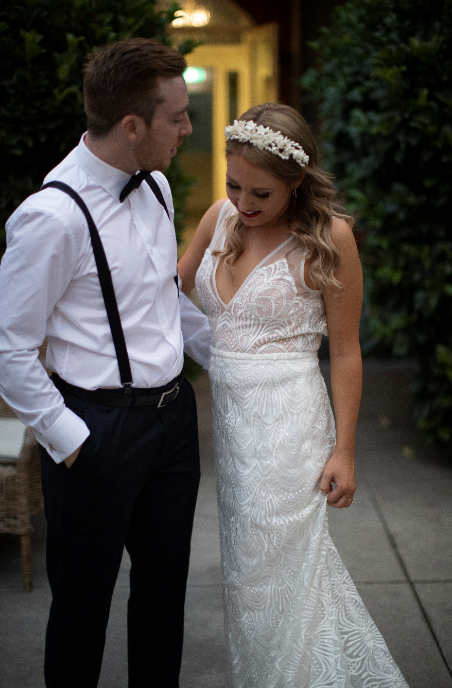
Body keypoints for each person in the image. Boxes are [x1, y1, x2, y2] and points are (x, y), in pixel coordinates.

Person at [0, 38, 211, 688]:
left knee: (162, 606)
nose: (187, 127)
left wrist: (239, 365)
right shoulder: (51, 218)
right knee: (81, 616)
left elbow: (164, 302)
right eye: (176, 116)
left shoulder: (159, 187)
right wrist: (71, 443)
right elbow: (10, 350)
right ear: (132, 125)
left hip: (173, 430)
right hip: (95, 435)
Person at [178, 103, 409, 687]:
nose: (244, 203)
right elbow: (168, 294)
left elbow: (347, 351)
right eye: (233, 185)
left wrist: (345, 451)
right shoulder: (218, 218)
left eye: (261, 193)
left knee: (285, 571)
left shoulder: (329, 239)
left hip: (290, 428)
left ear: (297, 182)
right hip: (234, 430)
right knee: (246, 574)